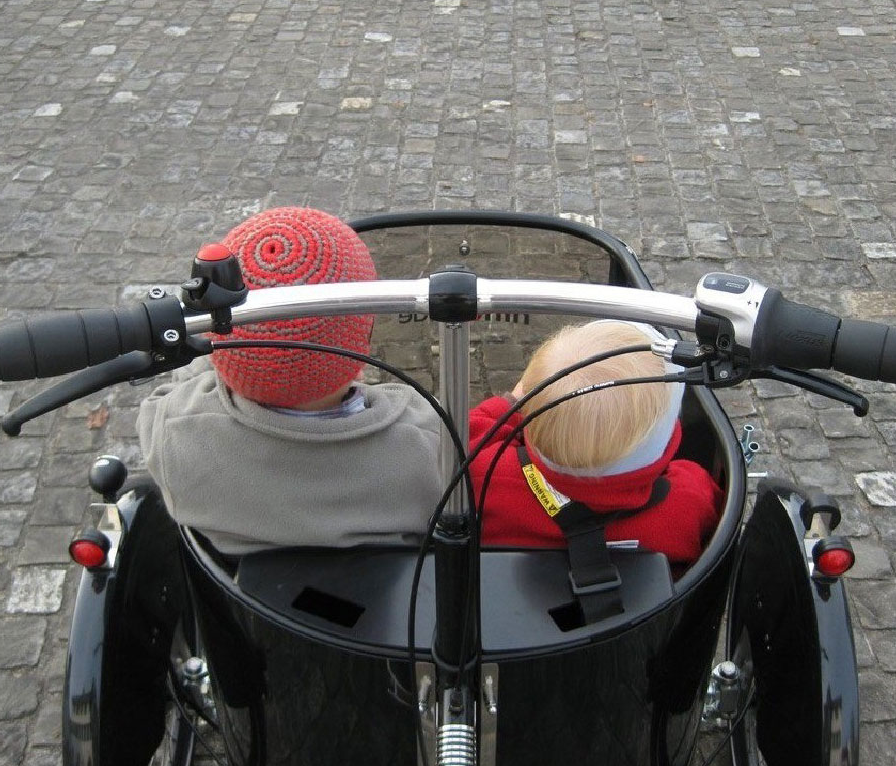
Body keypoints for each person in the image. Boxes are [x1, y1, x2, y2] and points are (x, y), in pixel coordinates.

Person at [137, 207, 445, 555]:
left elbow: (179, 385)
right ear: (365, 335)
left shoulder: (170, 434)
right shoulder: (424, 447)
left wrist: (224, 347)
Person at [468, 320, 722, 566]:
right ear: (668, 442)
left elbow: (475, 427)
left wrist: (514, 403)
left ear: (529, 422)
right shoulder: (688, 503)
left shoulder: (484, 474)